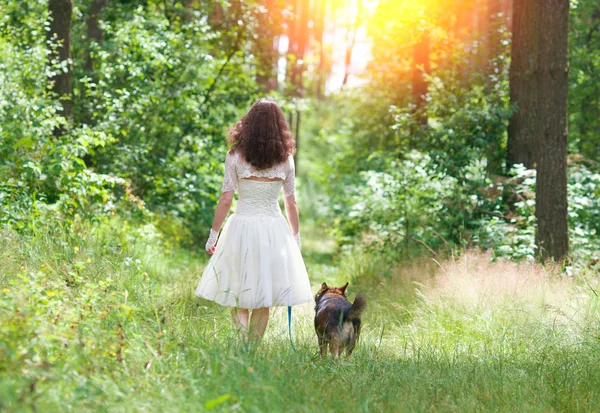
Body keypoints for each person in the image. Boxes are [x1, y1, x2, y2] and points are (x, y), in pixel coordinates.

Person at [195, 99, 312, 343]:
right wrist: (296, 238)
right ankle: (253, 350)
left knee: (239, 289)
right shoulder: (286, 159)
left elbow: (226, 199)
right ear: (278, 126)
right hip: (273, 229)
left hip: (242, 226)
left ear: (248, 124)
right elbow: (291, 202)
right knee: (263, 294)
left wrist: (213, 235)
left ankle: (241, 347)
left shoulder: (235, 156)